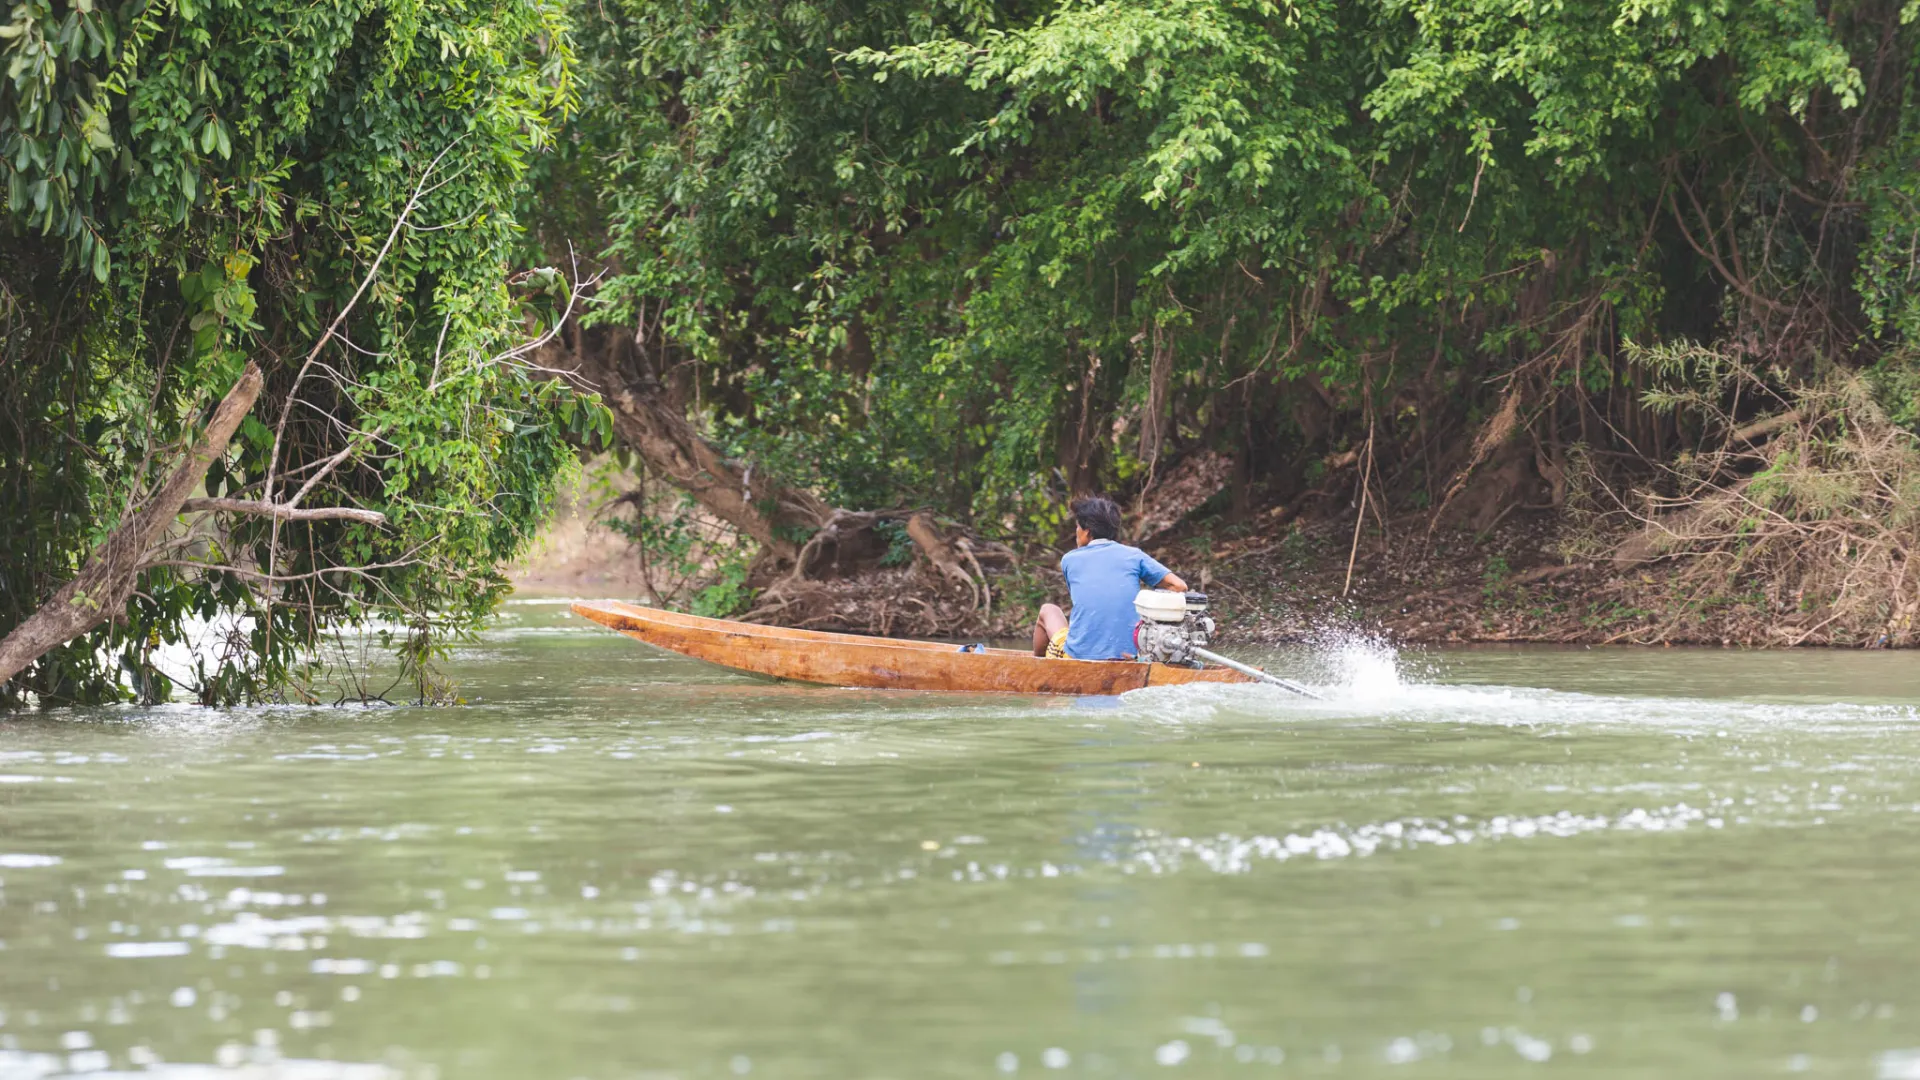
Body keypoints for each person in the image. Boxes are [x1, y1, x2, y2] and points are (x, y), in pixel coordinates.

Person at [1031, 495, 1190, 660]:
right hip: (1131, 656)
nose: (1076, 532)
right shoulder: (1134, 556)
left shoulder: (1070, 559)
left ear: (1087, 531)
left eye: (1077, 527)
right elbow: (1179, 586)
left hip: (1079, 656)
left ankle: (1040, 668)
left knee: (1048, 610)